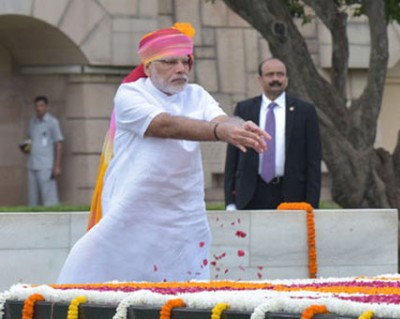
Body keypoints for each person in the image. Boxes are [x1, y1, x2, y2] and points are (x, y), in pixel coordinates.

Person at [57, 22, 270, 284]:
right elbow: (165, 126)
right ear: (148, 67)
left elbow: (222, 120)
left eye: (186, 62)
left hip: (184, 211)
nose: (181, 69)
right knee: (102, 279)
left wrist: (240, 126)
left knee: (187, 286)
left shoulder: (196, 94)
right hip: (133, 208)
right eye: (170, 62)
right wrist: (220, 131)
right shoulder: (130, 94)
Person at [224, 58, 322, 210]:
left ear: (286, 79)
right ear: (260, 79)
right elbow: (233, 157)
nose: (276, 79)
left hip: (291, 194)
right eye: (270, 74)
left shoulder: (305, 111)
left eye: (280, 74)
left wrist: (312, 203)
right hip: (250, 193)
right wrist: (230, 201)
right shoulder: (244, 109)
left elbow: (313, 160)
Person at [24, 96, 64, 206]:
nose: (38, 108)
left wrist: (57, 166)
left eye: (41, 106)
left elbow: (58, 143)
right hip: (32, 164)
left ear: (46, 107)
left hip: (46, 165)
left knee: (49, 199)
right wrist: (26, 147)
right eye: (36, 106)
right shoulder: (32, 122)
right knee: (33, 199)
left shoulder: (52, 122)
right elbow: (30, 140)